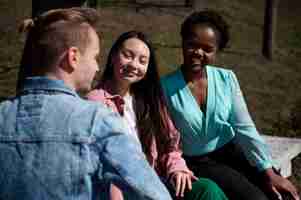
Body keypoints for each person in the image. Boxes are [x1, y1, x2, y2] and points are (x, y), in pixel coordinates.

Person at [0, 8, 172, 200]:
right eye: (95, 57)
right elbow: (154, 194)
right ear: (73, 57)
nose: (97, 66)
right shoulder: (98, 120)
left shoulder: (2, 115)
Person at [160, 10, 300, 200]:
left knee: (280, 194)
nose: (198, 53)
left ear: (217, 51)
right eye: (192, 45)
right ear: (183, 42)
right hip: (198, 162)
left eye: (207, 49)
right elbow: (165, 139)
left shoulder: (226, 79)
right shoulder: (165, 88)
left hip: (231, 152)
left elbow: (245, 128)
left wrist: (268, 171)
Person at [87, 30, 229, 200]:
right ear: (113, 57)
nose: (134, 65)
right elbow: (99, 161)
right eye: (127, 55)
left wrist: (177, 168)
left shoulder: (149, 100)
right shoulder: (95, 101)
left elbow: (169, 144)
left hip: (155, 182)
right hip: (124, 189)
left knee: (206, 189)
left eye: (142, 61)